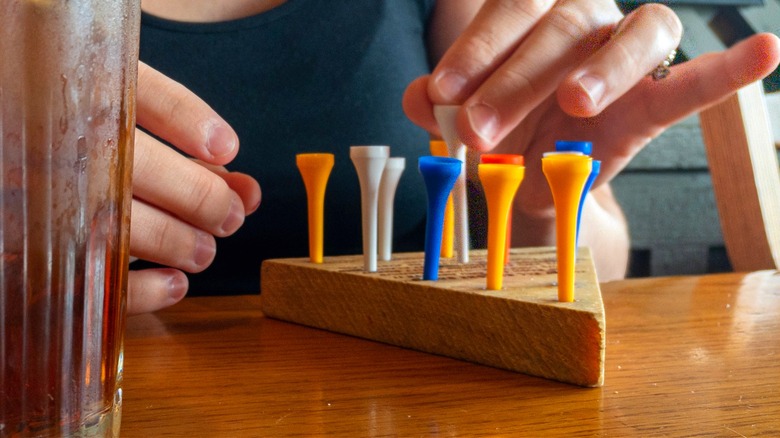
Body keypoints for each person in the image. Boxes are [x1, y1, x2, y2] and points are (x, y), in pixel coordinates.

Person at [129, 0, 780, 314]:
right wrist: (27, 270)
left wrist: (547, 206)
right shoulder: (28, 24)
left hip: (421, 394)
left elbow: (599, 266)